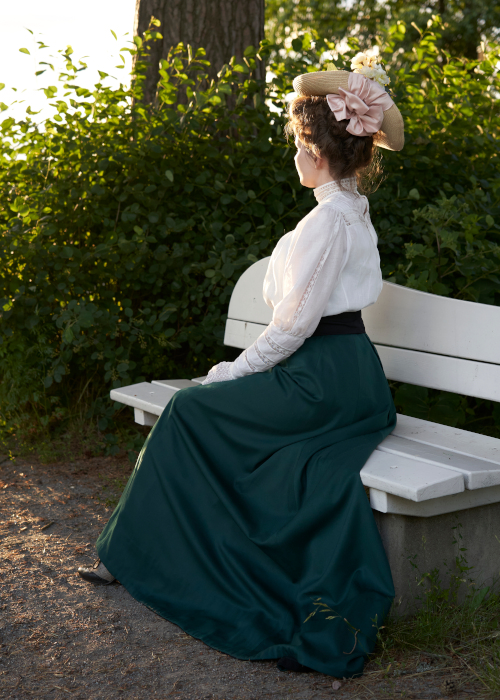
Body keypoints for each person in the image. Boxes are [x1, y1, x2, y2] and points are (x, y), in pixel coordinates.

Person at [78, 57, 405, 679]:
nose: (293, 158)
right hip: (345, 373)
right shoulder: (348, 207)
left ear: (316, 148)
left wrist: (229, 373)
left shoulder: (330, 220)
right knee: (198, 413)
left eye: (298, 145)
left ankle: (139, 556)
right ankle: (132, 552)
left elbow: (292, 327)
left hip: (320, 379)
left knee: (191, 408)